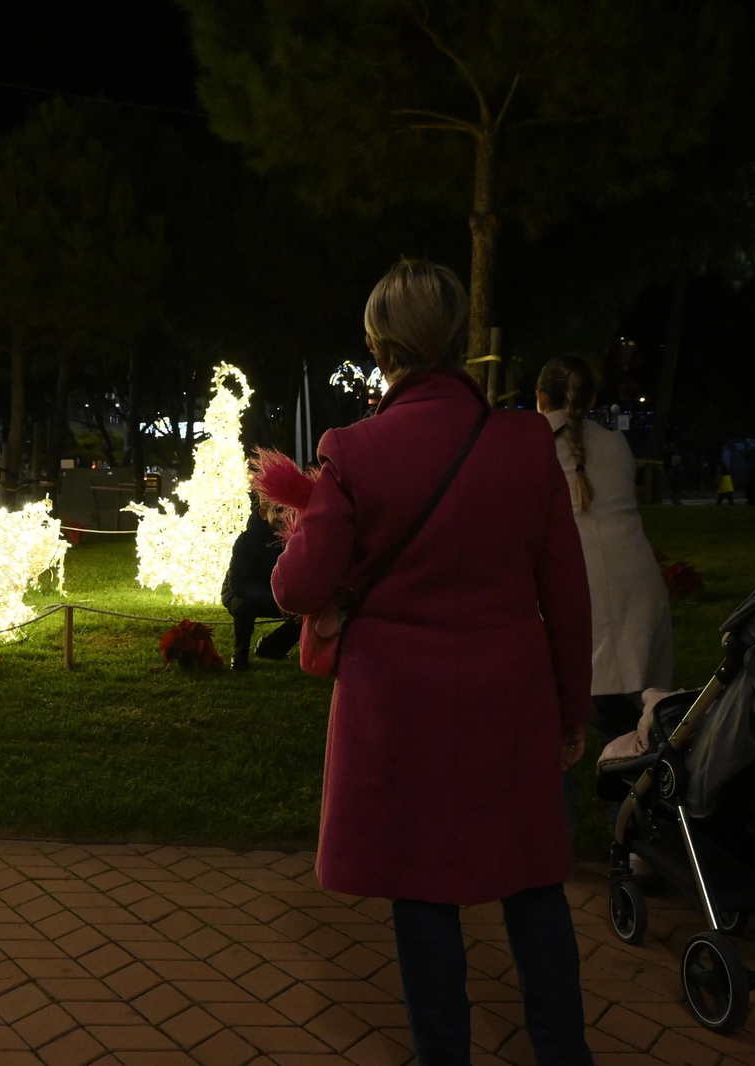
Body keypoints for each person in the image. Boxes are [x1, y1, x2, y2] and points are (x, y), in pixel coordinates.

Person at [271, 259, 595, 1066]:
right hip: (513, 699)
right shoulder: (526, 442)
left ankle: (441, 1055)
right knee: (533, 884)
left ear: (381, 348)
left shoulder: (355, 449)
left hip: (399, 708)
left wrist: (309, 514)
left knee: (421, 889)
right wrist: (573, 710)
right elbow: (568, 593)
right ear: (455, 341)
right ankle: (564, 1053)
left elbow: (296, 586)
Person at [536, 356, 673, 833]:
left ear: (540, 398)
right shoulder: (616, 443)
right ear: (592, 400)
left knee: (550, 723)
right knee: (629, 723)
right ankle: (635, 838)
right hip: (636, 589)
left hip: (577, 592)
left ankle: (559, 835)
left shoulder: (532, 447)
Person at [221, 500, 301, 670]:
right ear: (264, 513)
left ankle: (272, 647)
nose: (285, 515)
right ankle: (240, 654)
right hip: (241, 594)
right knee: (244, 606)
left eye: (289, 509)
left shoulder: (299, 539)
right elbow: (238, 583)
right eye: (279, 510)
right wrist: (276, 599)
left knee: (309, 610)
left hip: (280, 596)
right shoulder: (246, 540)